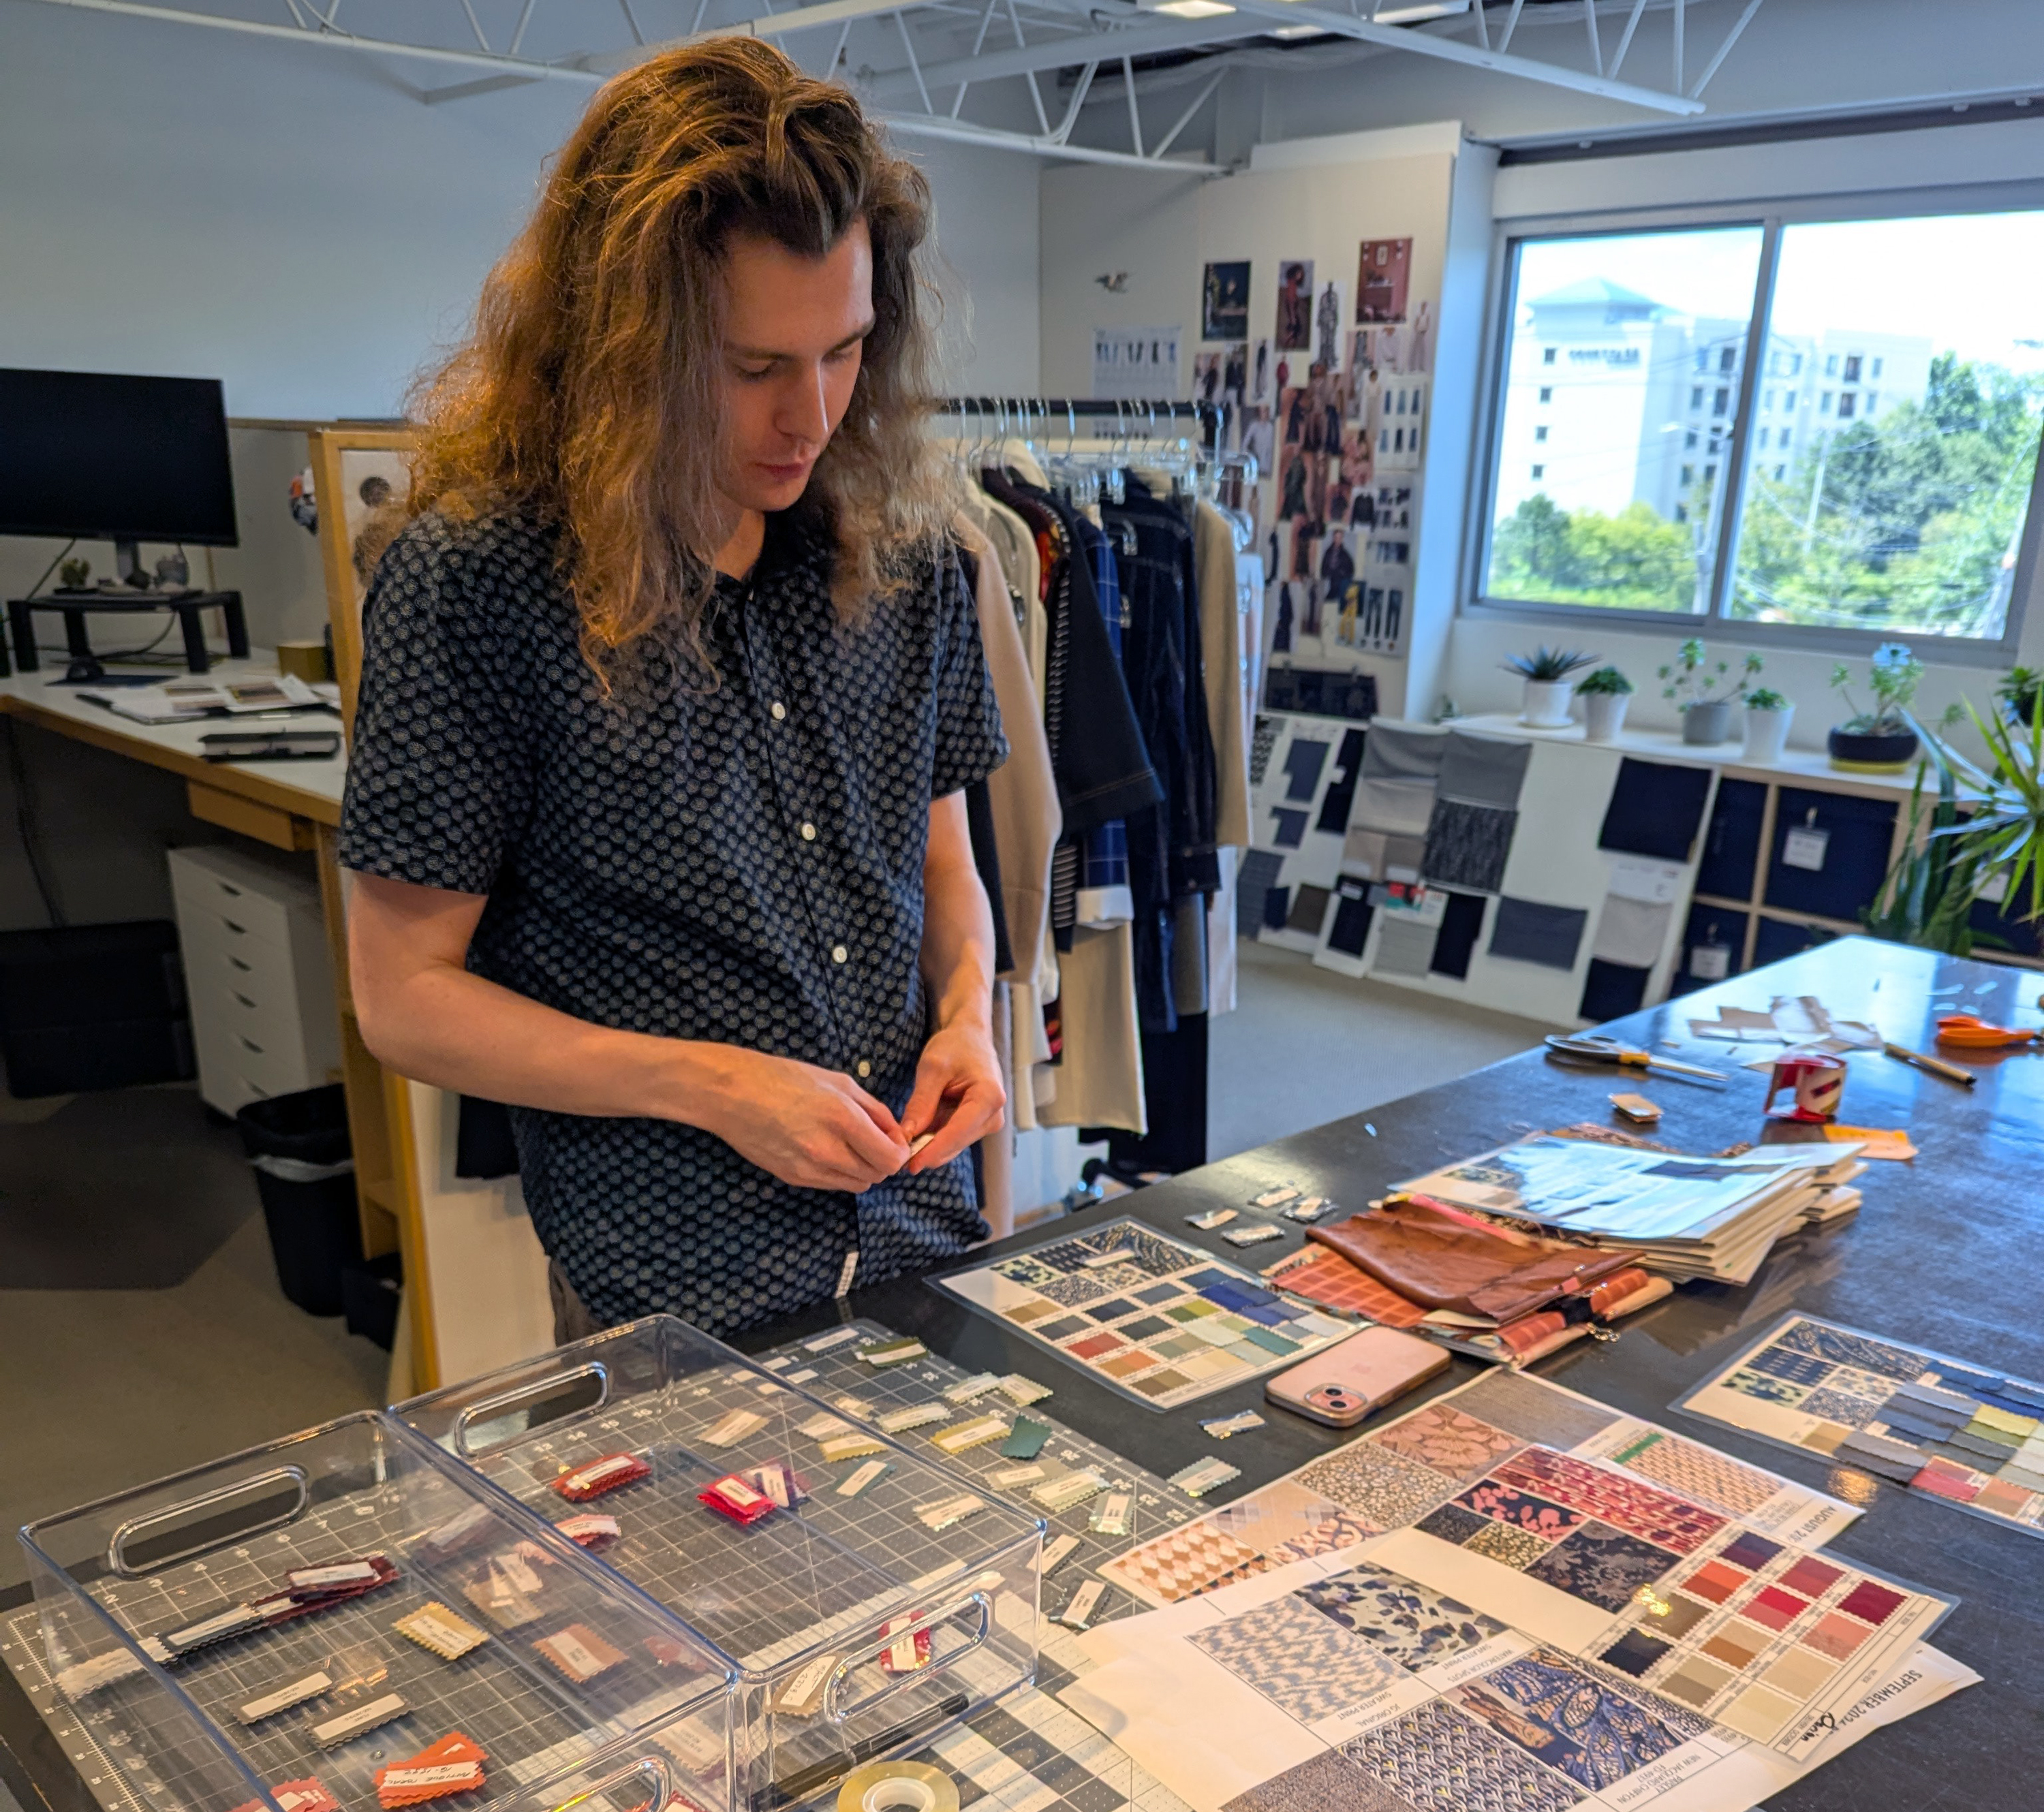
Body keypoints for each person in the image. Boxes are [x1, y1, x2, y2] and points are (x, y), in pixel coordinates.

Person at [339, 41, 1009, 1343]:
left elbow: (944, 869)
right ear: (624, 346)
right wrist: (713, 1086)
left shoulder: (915, 559)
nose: (808, 419)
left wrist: (973, 1017)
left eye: (845, 352)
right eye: (752, 368)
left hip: (918, 1234)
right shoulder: (480, 583)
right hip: (667, 1282)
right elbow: (403, 996)